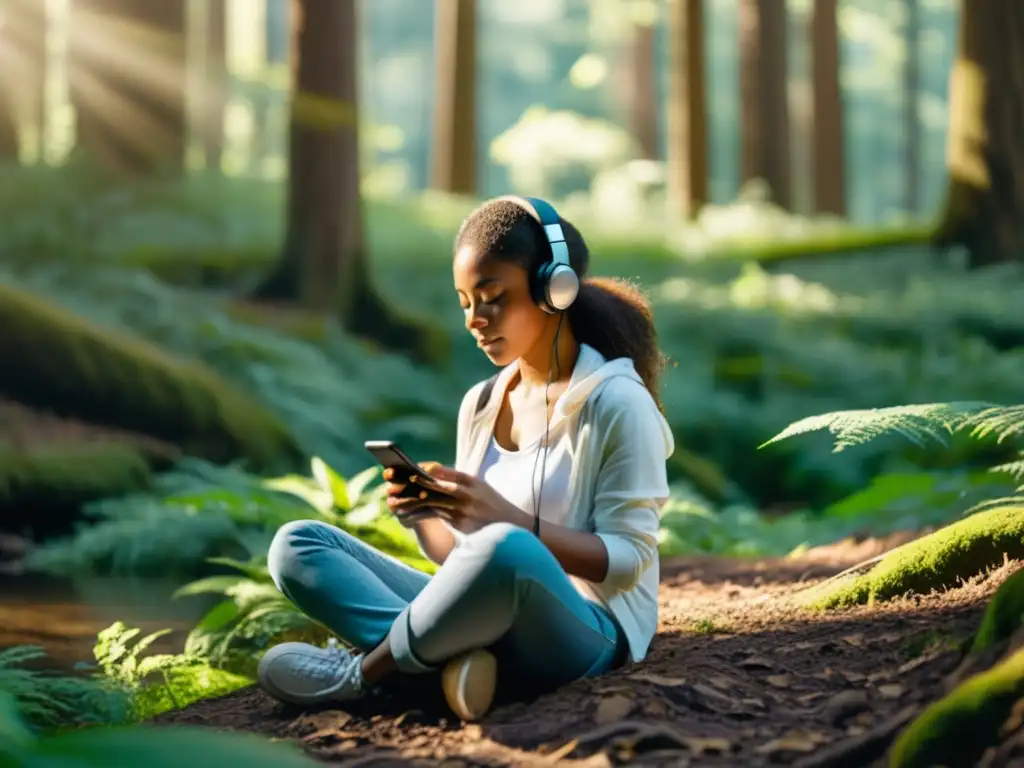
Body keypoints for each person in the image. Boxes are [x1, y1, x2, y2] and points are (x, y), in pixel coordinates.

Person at [257, 196, 675, 722]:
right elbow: (459, 560)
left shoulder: (617, 403)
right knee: (298, 545)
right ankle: (454, 667)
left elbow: (627, 561)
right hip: (489, 606)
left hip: (588, 626)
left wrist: (507, 522)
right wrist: (428, 516)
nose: (475, 320)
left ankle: (368, 675)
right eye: (464, 302)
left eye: (493, 297)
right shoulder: (481, 403)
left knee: (508, 547)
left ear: (554, 289)